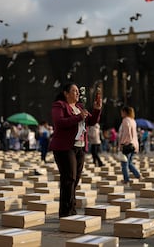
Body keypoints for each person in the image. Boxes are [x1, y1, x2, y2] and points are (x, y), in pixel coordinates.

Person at [49, 83, 102, 218]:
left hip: (79, 147)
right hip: (65, 147)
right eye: (74, 91)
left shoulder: (79, 107)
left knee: (75, 179)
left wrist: (96, 109)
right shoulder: (59, 105)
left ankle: (71, 209)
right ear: (66, 93)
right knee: (69, 178)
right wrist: (79, 117)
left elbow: (91, 121)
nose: (77, 93)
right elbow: (60, 122)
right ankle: (66, 212)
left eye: (78, 91)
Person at [118, 106, 141, 185]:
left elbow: (126, 133)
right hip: (134, 144)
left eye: (122, 112)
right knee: (129, 162)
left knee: (124, 163)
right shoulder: (133, 121)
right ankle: (138, 175)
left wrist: (122, 144)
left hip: (127, 144)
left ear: (125, 112)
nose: (121, 113)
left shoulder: (125, 120)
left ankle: (126, 179)